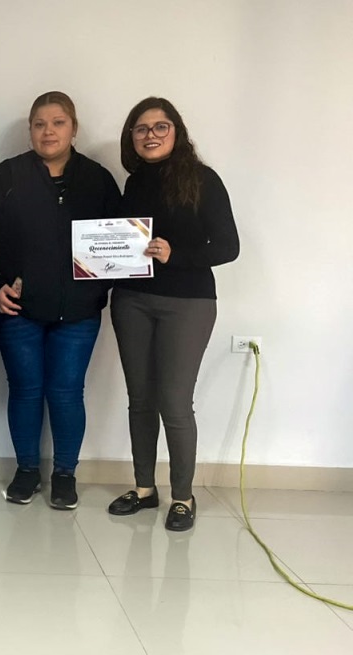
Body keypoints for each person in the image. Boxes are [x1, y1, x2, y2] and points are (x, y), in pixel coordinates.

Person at [0, 91, 121, 510]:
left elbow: (120, 240)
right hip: (17, 310)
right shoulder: (7, 175)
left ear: (74, 128)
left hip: (78, 314)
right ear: (30, 130)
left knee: (66, 393)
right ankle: (26, 471)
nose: (48, 131)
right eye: (39, 124)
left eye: (58, 122)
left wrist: (97, 289)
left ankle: (64, 474)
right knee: (25, 391)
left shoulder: (97, 178)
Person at [107, 97, 239, 531]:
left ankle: (182, 497)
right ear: (131, 136)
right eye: (141, 128)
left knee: (175, 402)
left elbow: (228, 246)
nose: (150, 135)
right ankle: (144, 490)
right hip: (131, 300)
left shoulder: (202, 179)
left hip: (188, 303)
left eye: (160, 127)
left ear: (176, 131)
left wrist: (175, 254)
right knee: (140, 400)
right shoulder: (133, 183)